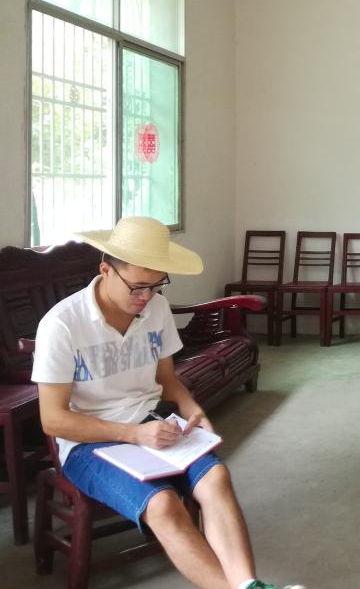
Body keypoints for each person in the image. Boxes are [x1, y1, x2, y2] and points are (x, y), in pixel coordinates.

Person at [32, 216, 304, 589]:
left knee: (216, 479)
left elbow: (167, 380)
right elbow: (53, 420)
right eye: (138, 287)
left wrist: (194, 411)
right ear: (106, 270)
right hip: (88, 444)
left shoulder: (155, 309)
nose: (147, 297)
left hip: (153, 425)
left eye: (157, 285)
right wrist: (133, 434)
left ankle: (247, 584)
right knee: (163, 504)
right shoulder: (63, 325)